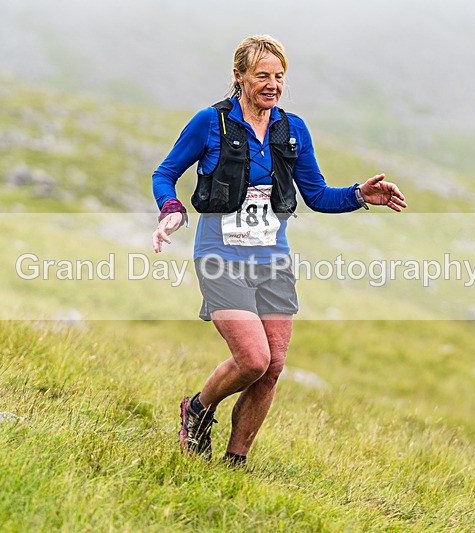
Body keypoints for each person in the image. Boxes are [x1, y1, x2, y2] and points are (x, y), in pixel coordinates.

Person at [151, 35, 406, 465]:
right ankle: (197, 409)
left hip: (273, 260)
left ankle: (235, 462)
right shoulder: (210, 123)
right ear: (239, 76)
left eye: (279, 76)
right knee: (252, 359)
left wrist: (360, 195)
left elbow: (317, 195)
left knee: (271, 369)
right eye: (262, 75)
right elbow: (165, 173)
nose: (272, 84)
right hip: (221, 256)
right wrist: (171, 209)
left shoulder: (293, 130)